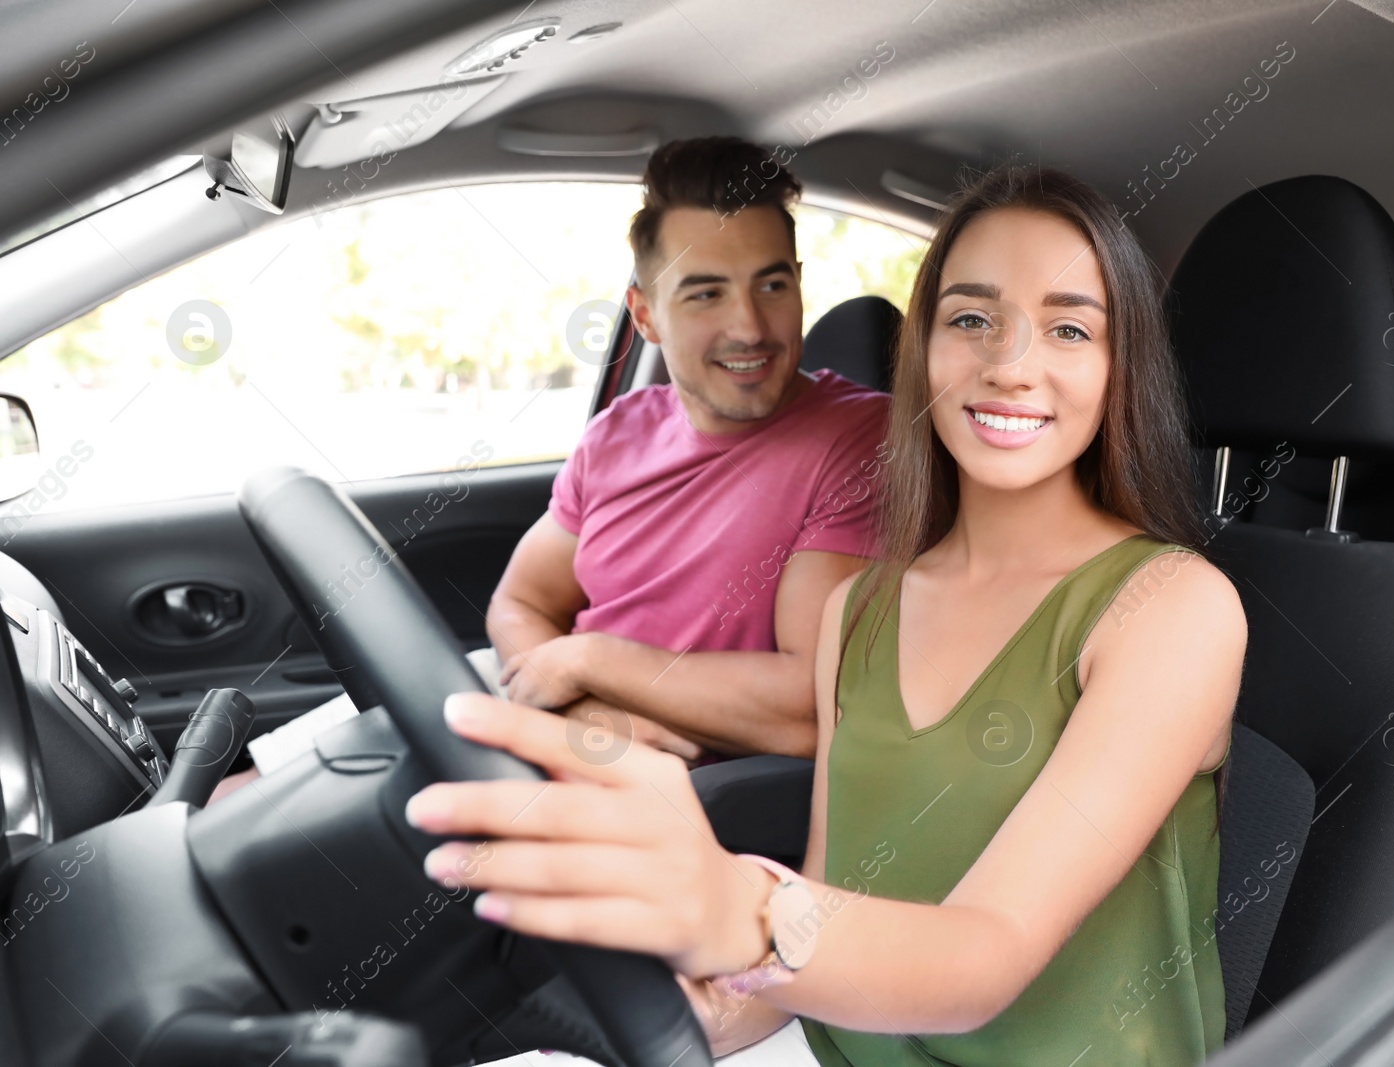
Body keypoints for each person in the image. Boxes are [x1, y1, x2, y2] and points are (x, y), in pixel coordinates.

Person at [402, 161, 1244, 1066]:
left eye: (1070, 328)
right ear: (922, 347)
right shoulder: (859, 611)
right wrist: (703, 995)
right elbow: (829, 904)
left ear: (1122, 367)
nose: (1008, 365)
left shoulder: (1172, 609)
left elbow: (984, 956)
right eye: (970, 319)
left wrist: (742, 912)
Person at [227, 136, 889, 791]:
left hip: (674, 791)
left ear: (800, 283)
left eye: (771, 284)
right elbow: (519, 602)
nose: (749, 325)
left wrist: (592, 659)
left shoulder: (860, 440)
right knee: (239, 795)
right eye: (705, 293)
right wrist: (583, 710)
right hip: (558, 722)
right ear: (646, 315)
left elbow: (813, 703)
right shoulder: (620, 433)